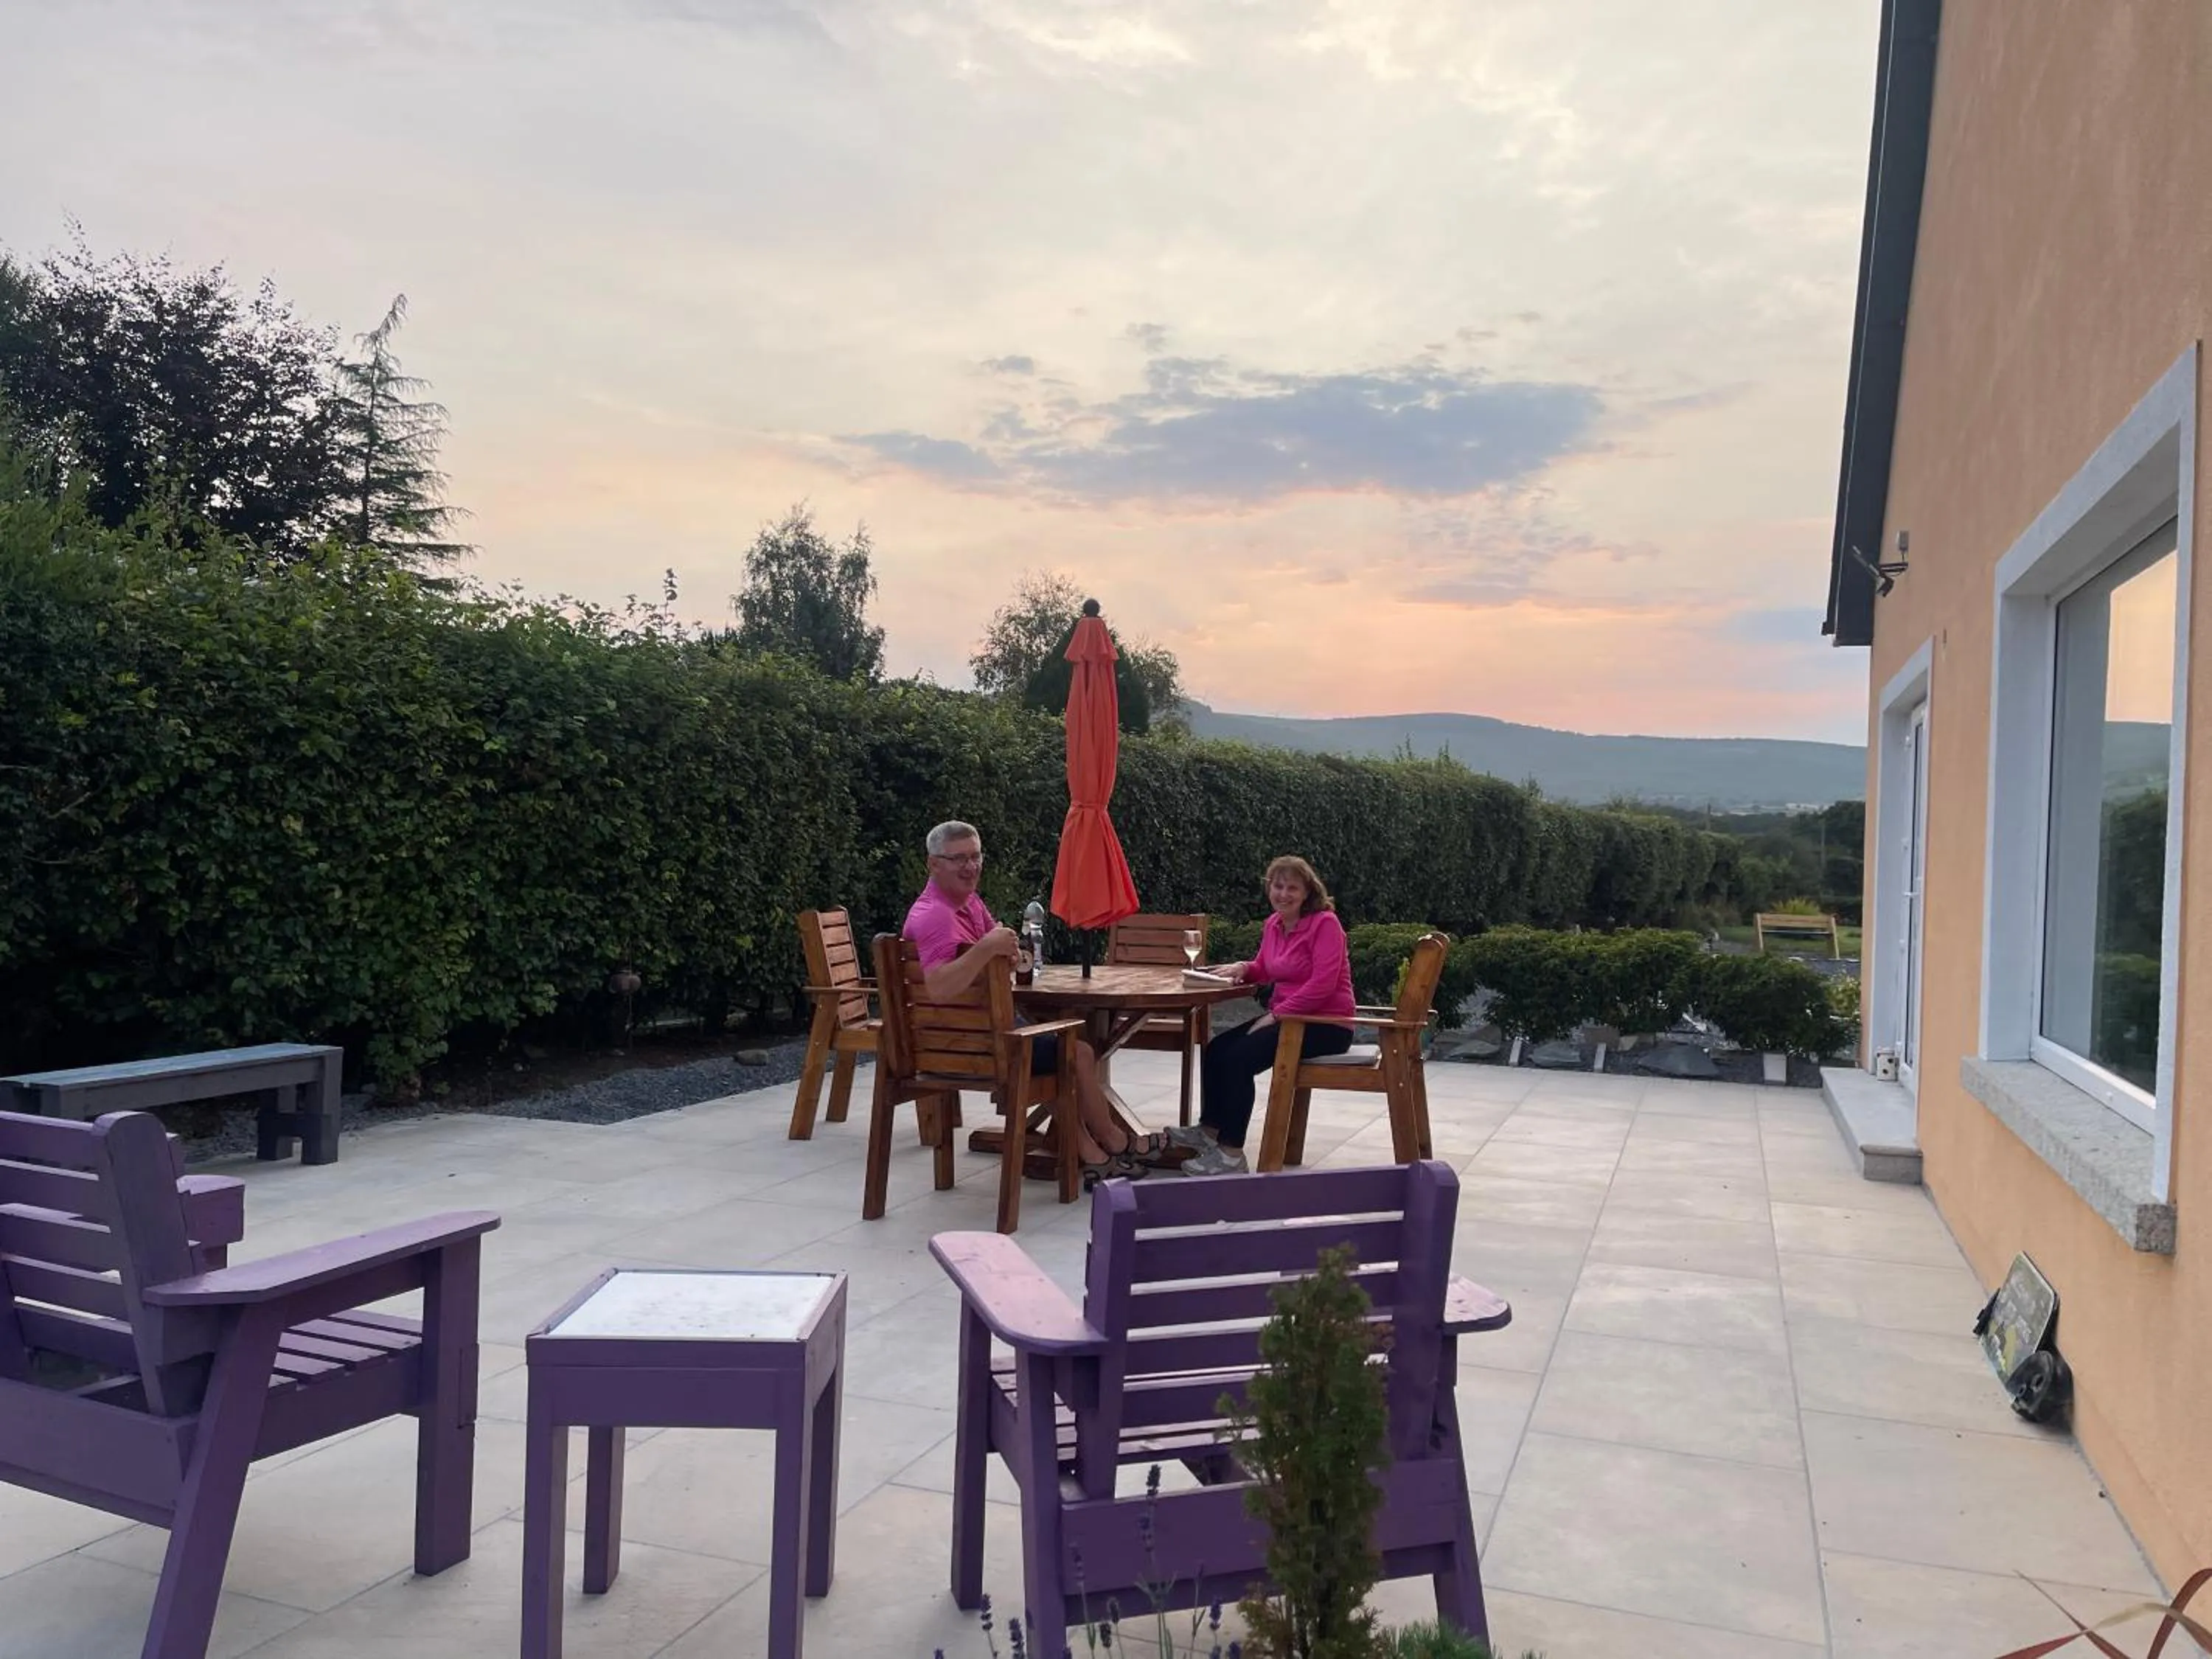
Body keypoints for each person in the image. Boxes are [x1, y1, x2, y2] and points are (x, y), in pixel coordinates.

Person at [904, 820, 1162, 1183]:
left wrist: (1004, 954)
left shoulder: (968, 903)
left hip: (979, 1033)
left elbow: (994, 955)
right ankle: (1115, 1140)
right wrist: (987, 948)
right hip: (963, 1045)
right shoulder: (935, 915)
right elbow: (939, 988)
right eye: (958, 858)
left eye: (975, 856)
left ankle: (1089, 1150)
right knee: (1078, 1052)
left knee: (1061, 1050)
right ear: (933, 864)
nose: (970, 866)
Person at [1170, 855, 1355, 1175]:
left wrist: (1277, 1015)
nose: (1283, 894)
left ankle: (1231, 1153)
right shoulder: (1274, 924)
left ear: (1308, 892)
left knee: (1241, 1058)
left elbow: (1323, 984)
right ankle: (1210, 1130)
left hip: (1325, 1024)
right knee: (1216, 1050)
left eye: (1292, 888)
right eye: (1278, 886)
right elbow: (1266, 968)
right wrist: (1244, 968)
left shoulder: (1326, 924)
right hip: (1290, 1019)